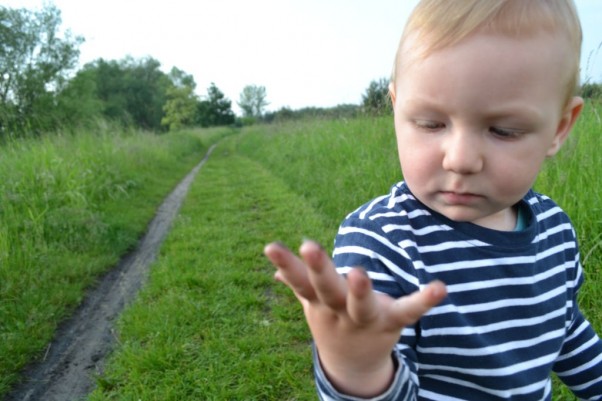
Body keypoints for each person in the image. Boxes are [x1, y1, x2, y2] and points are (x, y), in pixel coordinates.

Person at [264, 0, 602, 399]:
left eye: (504, 130)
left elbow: (564, 328)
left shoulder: (555, 230)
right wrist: (359, 367)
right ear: (396, 110)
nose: (460, 159)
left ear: (559, 128)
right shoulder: (383, 243)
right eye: (430, 123)